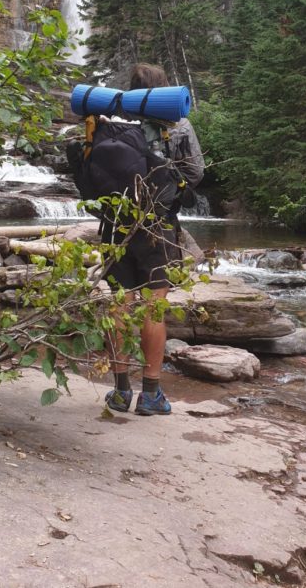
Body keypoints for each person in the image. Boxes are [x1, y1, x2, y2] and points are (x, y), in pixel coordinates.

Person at [104, 63, 204, 416]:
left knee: (118, 303)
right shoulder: (176, 123)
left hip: (115, 225)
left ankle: (119, 392)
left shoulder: (109, 119)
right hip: (156, 227)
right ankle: (150, 394)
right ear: (164, 92)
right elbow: (196, 172)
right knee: (153, 305)